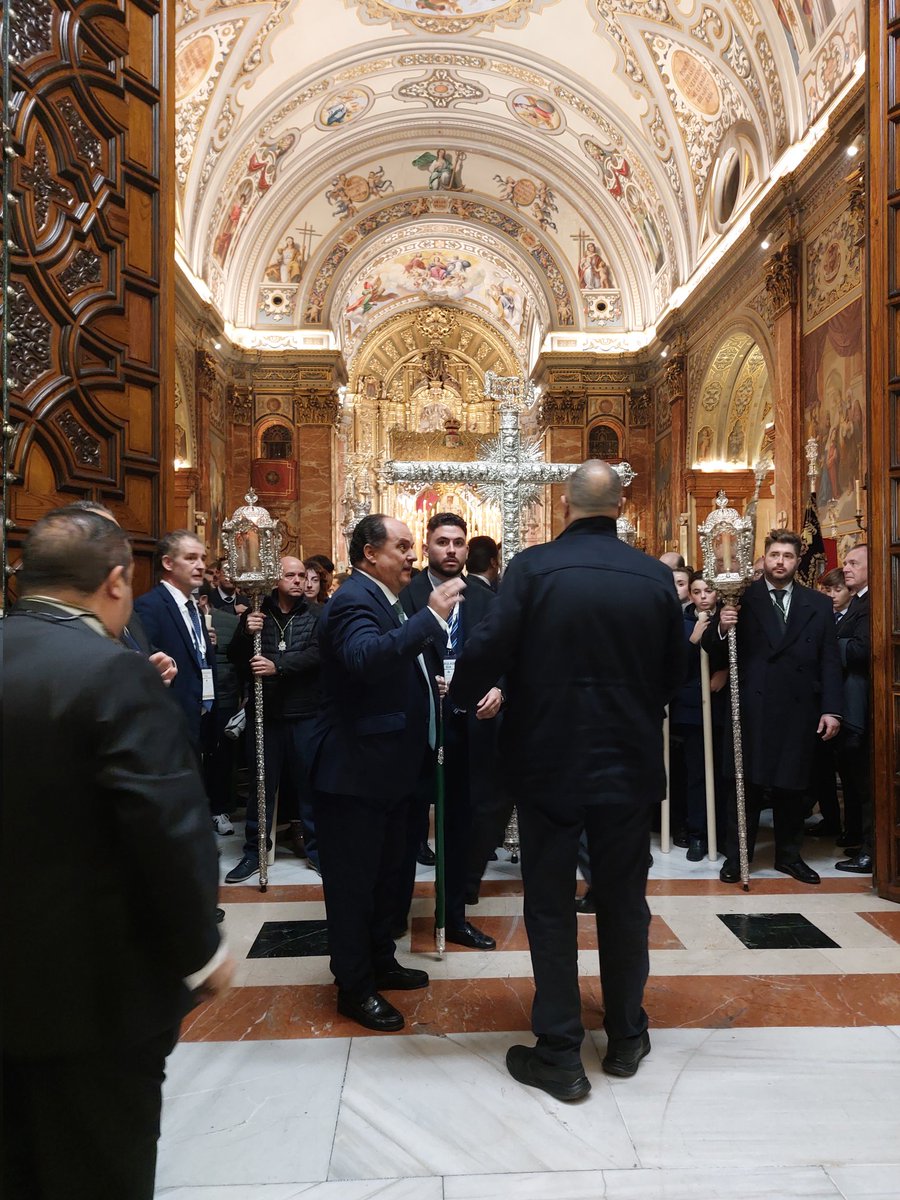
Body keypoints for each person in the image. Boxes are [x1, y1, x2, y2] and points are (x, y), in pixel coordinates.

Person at [2, 507, 233, 1200]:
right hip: (91, 995)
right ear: (115, 582)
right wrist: (202, 951)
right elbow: (167, 824)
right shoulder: (112, 672)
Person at [452, 461, 686, 1100]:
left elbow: (488, 647)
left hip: (548, 761)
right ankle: (627, 1034)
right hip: (628, 762)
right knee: (624, 901)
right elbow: (675, 669)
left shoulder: (533, 568)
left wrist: (462, 699)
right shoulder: (653, 575)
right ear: (621, 506)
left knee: (550, 904)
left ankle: (559, 1050)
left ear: (564, 505)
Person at [309, 515, 460, 1033]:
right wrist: (431, 617)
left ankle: (380, 961)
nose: (412, 556)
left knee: (386, 878)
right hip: (355, 772)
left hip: (389, 769)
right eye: (402, 546)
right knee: (354, 886)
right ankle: (354, 987)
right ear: (370, 553)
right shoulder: (353, 599)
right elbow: (364, 658)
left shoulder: (386, 599)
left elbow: (392, 669)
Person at [703, 530, 843, 885]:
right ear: (764, 558)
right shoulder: (740, 597)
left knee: (792, 787)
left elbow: (829, 660)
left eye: (788, 556)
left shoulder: (817, 603)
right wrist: (722, 627)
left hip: (799, 708)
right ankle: (738, 858)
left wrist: (831, 709)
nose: (780, 562)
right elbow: (711, 646)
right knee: (745, 785)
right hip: (752, 707)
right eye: (775, 555)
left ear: (797, 562)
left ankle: (789, 857)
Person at [397, 513, 500, 949]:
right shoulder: (406, 593)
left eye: (458, 542)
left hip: (468, 728)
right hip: (417, 730)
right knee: (406, 827)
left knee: (460, 827)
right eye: (442, 542)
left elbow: (505, 652)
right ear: (428, 546)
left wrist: (499, 688)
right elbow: (394, 652)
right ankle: (394, 916)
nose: (452, 550)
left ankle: (453, 916)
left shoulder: (483, 597)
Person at [226, 556, 321, 881]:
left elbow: (318, 655)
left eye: (302, 575)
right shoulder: (257, 613)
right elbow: (236, 657)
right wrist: (245, 632)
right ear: (275, 579)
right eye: (290, 575)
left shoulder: (316, 615)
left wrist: (278, 666)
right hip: (265, 714)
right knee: (261, 785)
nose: (298, 581)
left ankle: (317, 850)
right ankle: (254, 852)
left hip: (305, 713)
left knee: (309, 784)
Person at [834, 545, 872, 873]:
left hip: (868, 706)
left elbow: (862, 650)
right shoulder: (858, 600)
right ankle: (863, 841)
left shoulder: (873, 602)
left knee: (870, 783)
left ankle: (872, 851)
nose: (846, 568)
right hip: (852, 702)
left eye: (853, 563)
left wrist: (828, 645)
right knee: (857, 781)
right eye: (845, 563)